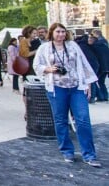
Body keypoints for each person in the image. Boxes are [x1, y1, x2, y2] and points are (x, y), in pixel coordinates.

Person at [33, 23, 100, 168]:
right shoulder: (44, 48)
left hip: (76, 87)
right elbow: (37, 65)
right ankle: (67, 151)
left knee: (83, 120)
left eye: (63, 32)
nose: (61, 34)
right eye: (58, 32)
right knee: (60, 120)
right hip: (57, 88)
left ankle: (89, 155)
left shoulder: (73, 45)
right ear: (52, 33)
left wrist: (87, 84)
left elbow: (83, 63)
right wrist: (48, 69)